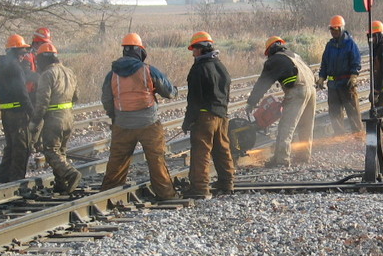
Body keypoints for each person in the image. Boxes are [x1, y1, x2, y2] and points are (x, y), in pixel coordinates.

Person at [100, 33, 179, 200]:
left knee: (117, 161)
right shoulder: (148, 70)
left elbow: (106, 99)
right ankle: (166, 195)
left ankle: (109, 196)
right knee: (156, 160)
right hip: (149, 123)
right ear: (140, 51)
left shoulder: (112, 74)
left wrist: (115, 117)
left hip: (122, 124)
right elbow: (170, 92)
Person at [245, 36, 316, 167]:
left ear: (270, 50)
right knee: (306, 126)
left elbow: (263, 82)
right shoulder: (294, 55)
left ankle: (281, 160)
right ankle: (304, 156)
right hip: (312, 89)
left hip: (298, 91)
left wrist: (251, 102)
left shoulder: (275, 60)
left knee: (286, 127)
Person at [182, 31, 235, 198]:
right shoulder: (220, 66)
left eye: (194, 49)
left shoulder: (199, 69)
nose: (192, 53)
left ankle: (200, 188)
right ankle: (226, 183)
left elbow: (194, 99)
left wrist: (188, 121)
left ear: (201, 49)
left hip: (205, 117)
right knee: (222, 149)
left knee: (201, 152)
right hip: (222, 115)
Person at [28, 42, 82, 194]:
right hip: (69, 117)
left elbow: (42, 102)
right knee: (61, 152)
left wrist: (35, 121)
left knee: (51, 151)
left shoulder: (47, 74)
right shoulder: (69, 72)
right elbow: (76, 96)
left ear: (43, 59)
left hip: (54, 119)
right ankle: (61, 184)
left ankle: (71, 174)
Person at [0, 34, 34, 182]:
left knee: (11, 146)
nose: (24, 55)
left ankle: (2, 178)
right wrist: (31, 111)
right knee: (22, 148)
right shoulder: (15, 68)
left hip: (6, 112)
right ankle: (16, 182)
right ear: (15, 52)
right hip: (18, 113)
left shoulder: (0, 66)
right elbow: (22, 93)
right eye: (22, 52)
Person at [316, 15, 362, 135]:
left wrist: (353, 76)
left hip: (346, 84)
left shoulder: (350, 44)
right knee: (335, 113)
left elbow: (356, 61)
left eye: (335, 30)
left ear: (341, 29)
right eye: (331, 29)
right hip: (333, 86)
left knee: (353, 112)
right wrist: (321, 77)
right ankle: (340, 138)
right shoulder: (329, 45)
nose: (333, 32)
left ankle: (358, 136)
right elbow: (325, 63)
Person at [21, 27, 50, 96]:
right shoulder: (27, 55)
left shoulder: (43, 55)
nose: (46, 46)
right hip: (29, 93)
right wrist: (43, 79)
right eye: (44, 43)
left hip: (40, 92)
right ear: (37, 43)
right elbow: (26, 73)